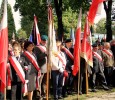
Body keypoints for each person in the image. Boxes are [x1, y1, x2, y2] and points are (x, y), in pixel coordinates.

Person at [33, 35, 48, 99]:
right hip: (40, 67)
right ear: (40, 40)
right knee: (39, 82)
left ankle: (43, 93)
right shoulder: (37, 48)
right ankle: (38, 95)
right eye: (43, 40)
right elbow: (38, 57)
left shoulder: (46, 47)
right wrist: (45, 53)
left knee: (44, 82)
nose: (44, 42)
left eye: (45, 41)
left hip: (46, 66)